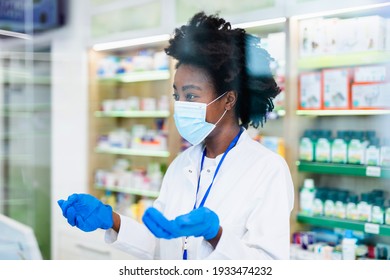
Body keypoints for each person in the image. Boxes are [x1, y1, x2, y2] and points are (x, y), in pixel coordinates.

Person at [58, 12, 294, 260]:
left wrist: (216, 234)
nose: (180, 105)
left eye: (191, 96)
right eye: (177, 96)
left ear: (228, 99)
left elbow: (269, 265)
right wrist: (111, 220)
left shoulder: (267, 169)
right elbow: (159, 243)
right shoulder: (182, 165)